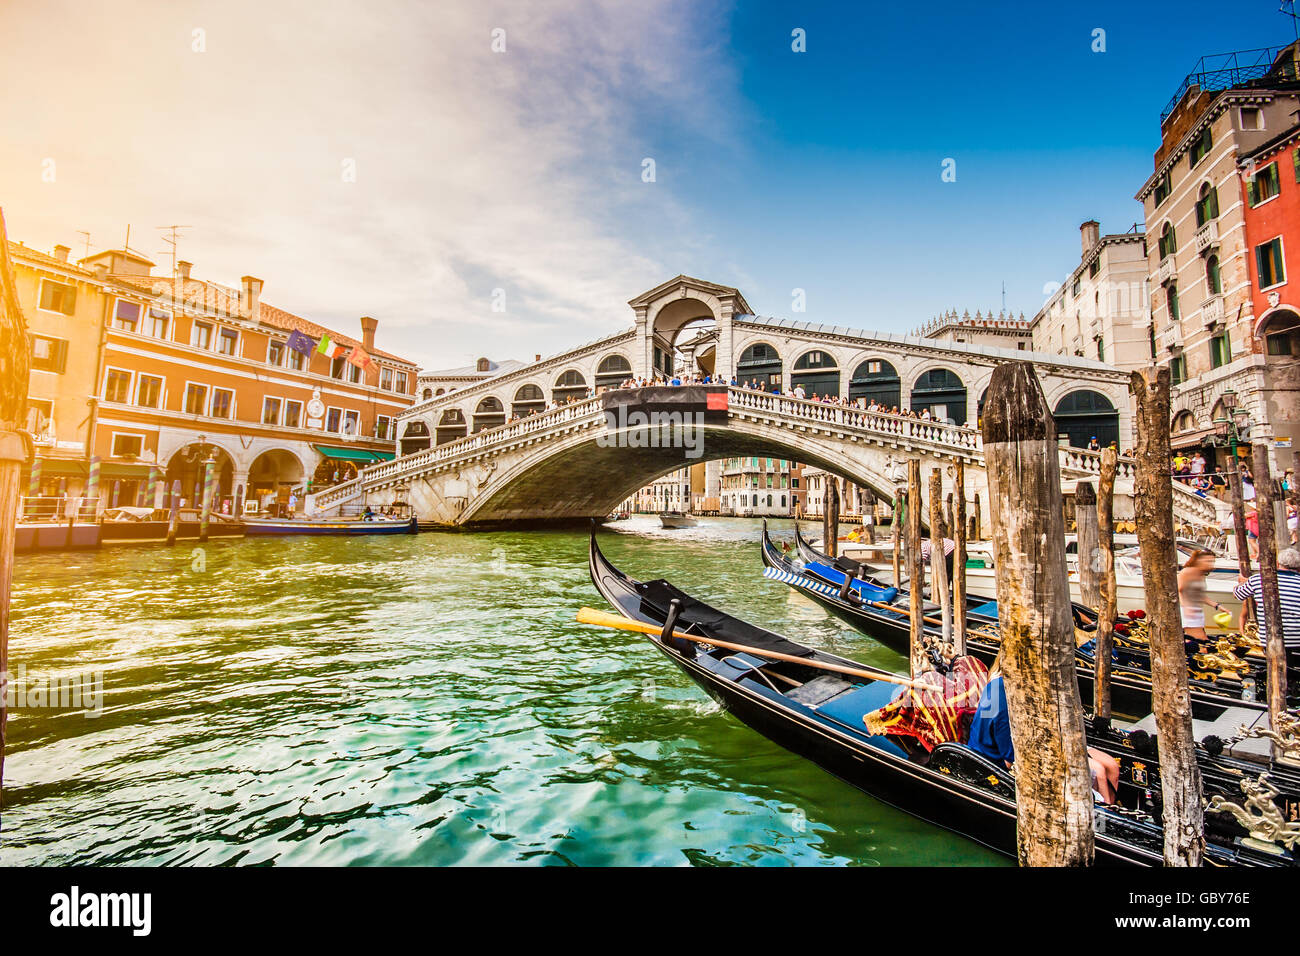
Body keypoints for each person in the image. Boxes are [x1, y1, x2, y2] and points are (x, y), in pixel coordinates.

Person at [968, 657, 1120, 802]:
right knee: (1099, 771)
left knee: (1111, 765)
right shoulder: (1001, 695)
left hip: (1043, 742)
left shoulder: (1018, 687)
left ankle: (1108, 813)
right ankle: (1105, 817)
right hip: (1001, 762)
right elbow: (1010, 758)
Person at [1233, 548, 1300, 665]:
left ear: (1278, 564)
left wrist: (1243, 582)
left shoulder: (1259, 579)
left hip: (1271, 640)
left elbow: (1237, 594)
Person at [1178, 549, 1224, 640]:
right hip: (1189, 610)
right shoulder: (1187, 572)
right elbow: (1180, 590)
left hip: (1197, 610)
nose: (1210, 564)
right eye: (1208, 561)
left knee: (1192, 640)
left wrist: (1217, 605)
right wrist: (1186, 607)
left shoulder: (1200, 574)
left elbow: (1199, 595)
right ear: (1198, 560)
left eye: (1212, 561)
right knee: (1202, 641)